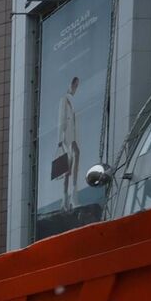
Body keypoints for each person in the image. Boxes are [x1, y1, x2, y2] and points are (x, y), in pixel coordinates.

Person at [59, 75, 82, 210]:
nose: (75, 88)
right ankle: (69, 199)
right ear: (71, 84)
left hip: (72, 136)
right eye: (75, 85)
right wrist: (62, 140)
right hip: (68, 137)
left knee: (69, 169)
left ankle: (68, 199)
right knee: (68, 169)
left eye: (77, 86)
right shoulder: (66, 99)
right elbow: (63, 119)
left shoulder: (71, 99)